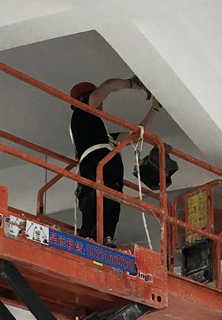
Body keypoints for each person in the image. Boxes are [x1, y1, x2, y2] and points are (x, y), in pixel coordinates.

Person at [69, 77, 162, 246]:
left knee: (110, 211)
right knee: (94, 211)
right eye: (95, 97)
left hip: (109, 176)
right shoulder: (81, 112)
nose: (101, 103)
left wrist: (154, 109)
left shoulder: (104, 137)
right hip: (96, 173)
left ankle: (104, 242)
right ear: (82, 99)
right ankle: (87, 243)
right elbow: (109, 85)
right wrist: (133, 84)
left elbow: (135, 136)